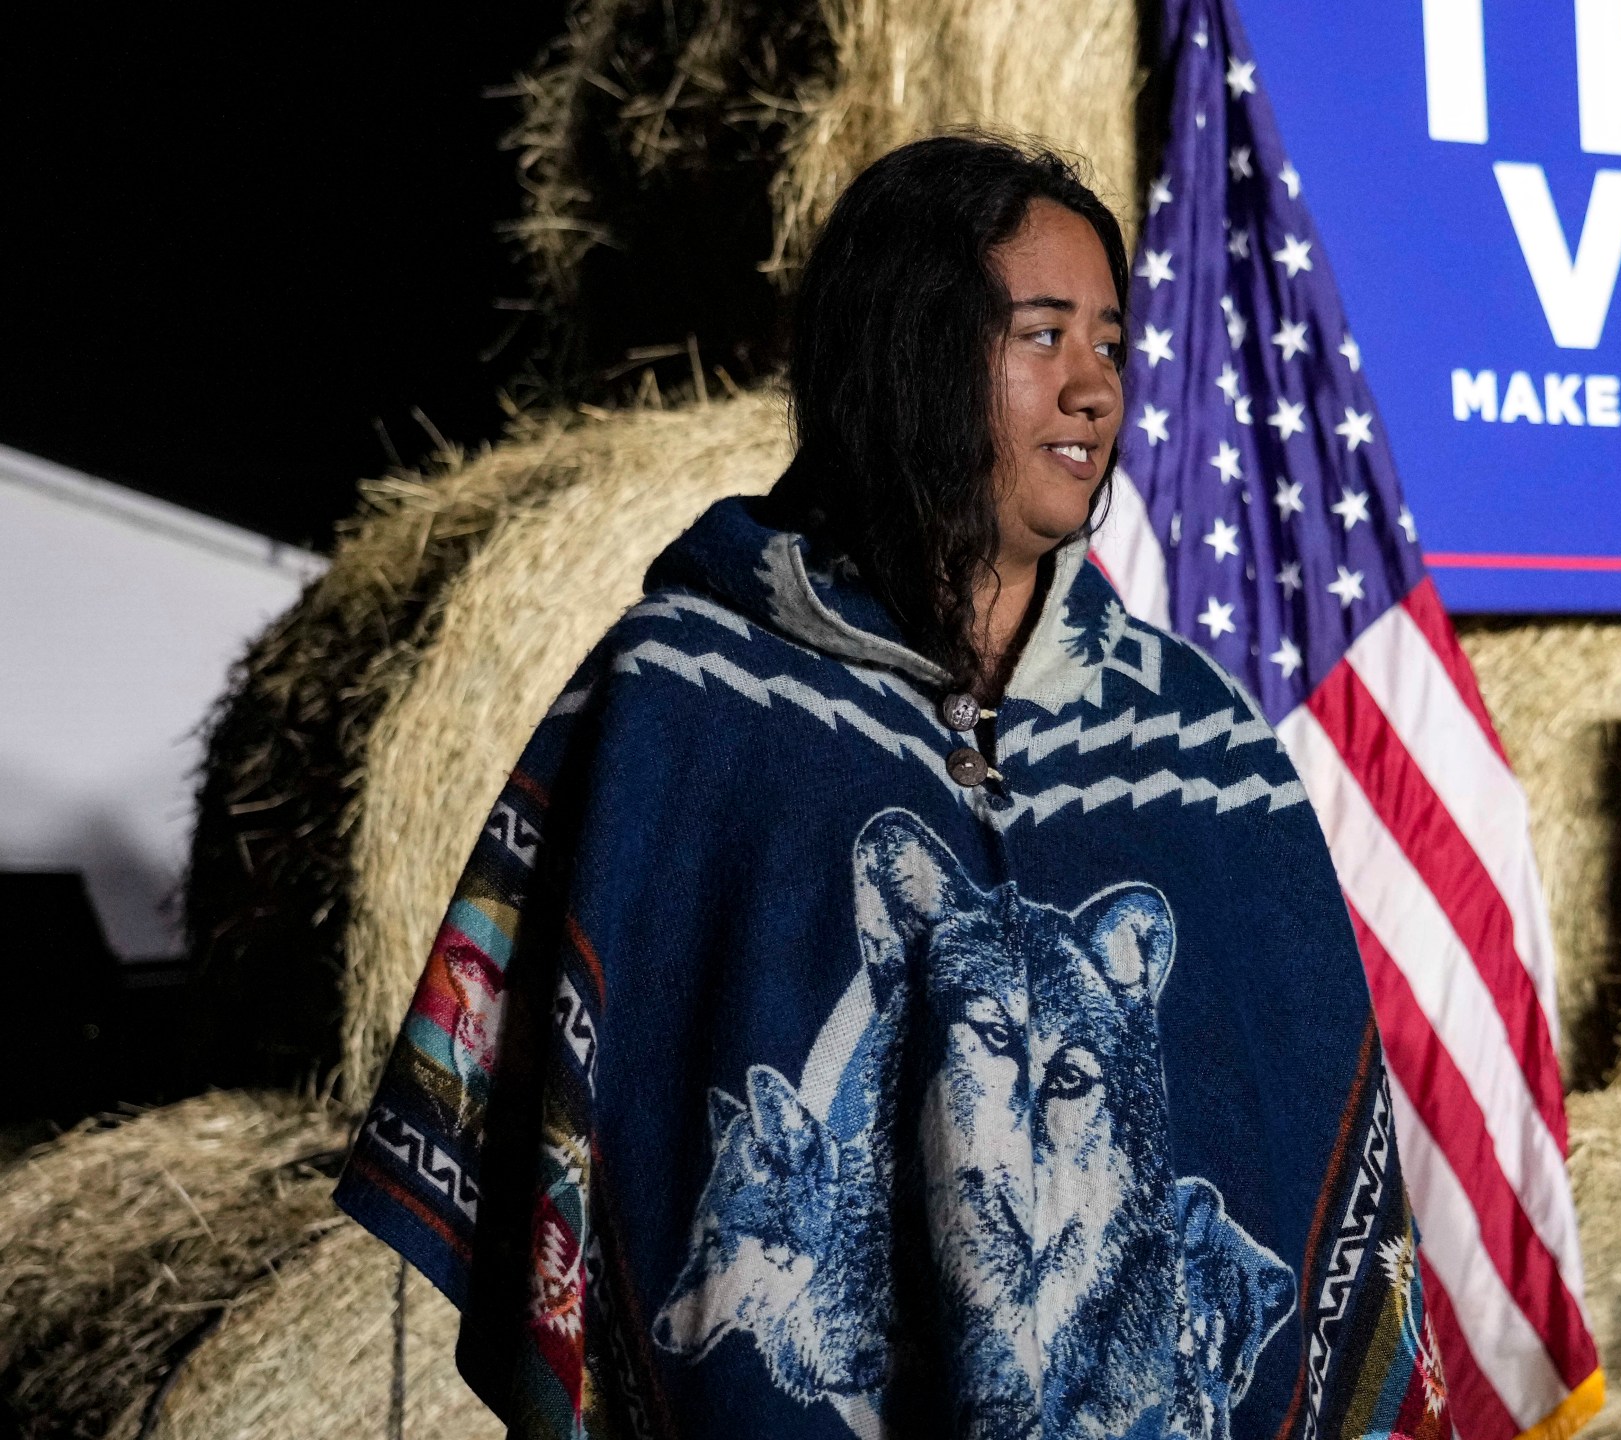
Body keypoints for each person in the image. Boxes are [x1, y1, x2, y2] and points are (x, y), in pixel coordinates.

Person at [334, 133, 1450, 1440]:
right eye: (1042, 335)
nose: (1096, 387)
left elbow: (1294, 1132)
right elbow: (575, 1100)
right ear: (913, 351)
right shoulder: (686, 702)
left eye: (1108, 339)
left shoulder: (1200, 746)